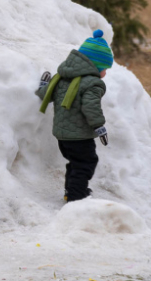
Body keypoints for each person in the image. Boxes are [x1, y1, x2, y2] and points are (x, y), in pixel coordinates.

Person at [36, 30, 112, 202]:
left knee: (75, 163)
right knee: (86, 163)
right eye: (105, 68)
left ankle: (71, 191)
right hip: (80, 136)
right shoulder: (93, 83)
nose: (105, 73)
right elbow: (90, 107)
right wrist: (99, 126)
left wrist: (43, 85)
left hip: (62, 135)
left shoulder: (61, 77)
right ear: (95, 66)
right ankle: (76, 197)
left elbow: (45, 94)